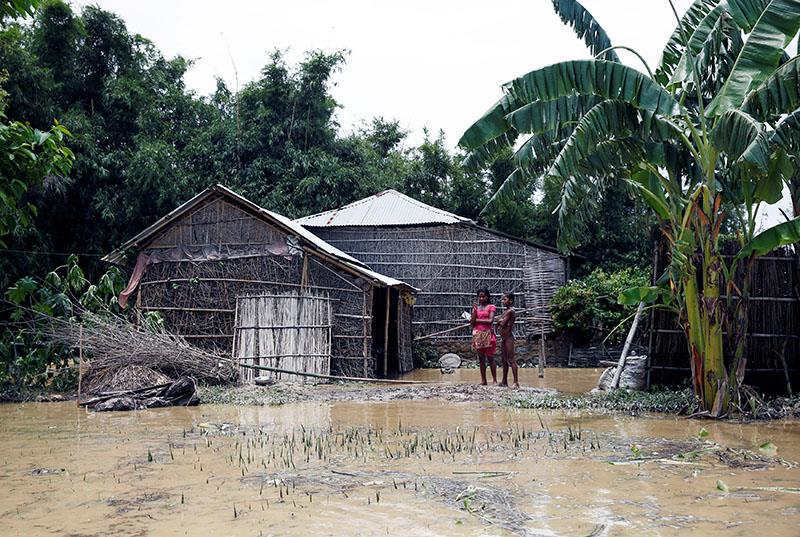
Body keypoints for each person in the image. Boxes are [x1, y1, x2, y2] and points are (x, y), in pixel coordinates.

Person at [470, 288, 497, 385]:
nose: (481, 298)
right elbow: (472, 323)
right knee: (481, 358)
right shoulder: (476, 309)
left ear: (487, 297)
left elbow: (490, 321)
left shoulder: (491, 307)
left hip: (488, 333)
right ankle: (483, 380)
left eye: (483, 296)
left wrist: (477, 320)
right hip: (477, 333)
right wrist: (474, 311)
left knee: (490, 357)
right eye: (480, 297)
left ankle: (494, 380)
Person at [497, 292, 519, 388]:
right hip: (504, 338)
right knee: (504, 360)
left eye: (505, 299)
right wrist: (499, 321)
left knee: (511, 359)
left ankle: (516, 382)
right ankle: (504, 381)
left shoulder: (510, 311)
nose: (503, 301)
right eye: (502, 299)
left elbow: (503, 324)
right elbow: (500, 323)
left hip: (509, 337)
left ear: (511, 301)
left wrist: (499, 321)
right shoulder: (505, 312)